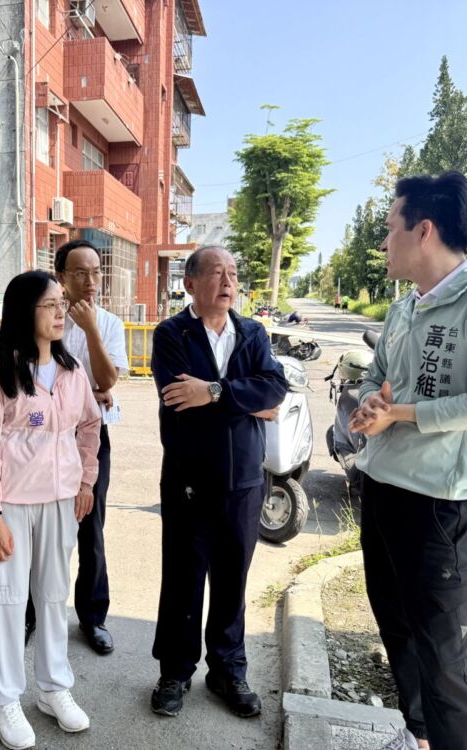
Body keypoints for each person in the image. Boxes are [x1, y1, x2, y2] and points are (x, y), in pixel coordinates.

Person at [349, 172, 467, 750]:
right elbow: (381, 375)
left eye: (389, 229)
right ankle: (418, 735)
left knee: (445, 659)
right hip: (384, 487)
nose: (382, 242)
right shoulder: (406, 308)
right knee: (398, 631)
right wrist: (373, 401)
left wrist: (401, 414)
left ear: (423, 230)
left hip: (440, 503)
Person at [149, 246, 288, 719]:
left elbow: (273, 389)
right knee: (184, 579)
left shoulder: (253, 332)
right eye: (216, 273)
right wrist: (245, 401)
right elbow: (175, 398)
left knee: (232, 580)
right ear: (189, 283)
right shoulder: (171, 334)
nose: (227, 281)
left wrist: (211, 391)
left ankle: (228, 669)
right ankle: (175, 671)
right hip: (189, 481)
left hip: (244, 481)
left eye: (233, 272)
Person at [0, 271, 101, 750]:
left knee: (51, 595)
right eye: (51, 304)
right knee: (5, 602)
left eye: (62, 303)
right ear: (25, 310)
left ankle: (53, 689)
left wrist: (86, 481)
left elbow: (90, 425)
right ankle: (4, 699)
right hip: (12, 507)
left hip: (61, 501)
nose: (62, 311)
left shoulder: (71, 370)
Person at [23, 239, 128, 655]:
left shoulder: (109, 323)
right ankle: (29, 614)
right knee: (37, 529)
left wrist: (89, 331)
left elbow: (106, 383)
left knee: (90, 528)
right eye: (80, 272)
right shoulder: (41, 316)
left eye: (96, 272)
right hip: (39, 439)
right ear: (61, 276)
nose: (90, 281)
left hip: (89, 439)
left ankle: (93, 617)